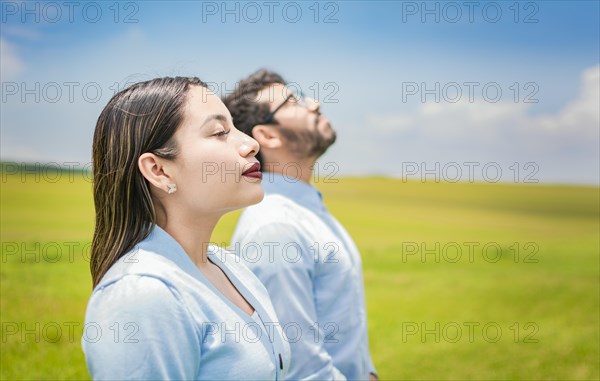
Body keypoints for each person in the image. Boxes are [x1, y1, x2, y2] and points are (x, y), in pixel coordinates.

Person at [83, 76, 289, 380]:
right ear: (159, 170)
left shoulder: (230, 266)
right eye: (219, 132)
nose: (250, 143)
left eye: (233, 127)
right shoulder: (141, 296)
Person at [224, 70, 377, 381]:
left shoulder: (304, 210)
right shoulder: (275, 227)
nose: (315, 104)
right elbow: (301, 369)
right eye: (293, 102)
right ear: (267, 136)